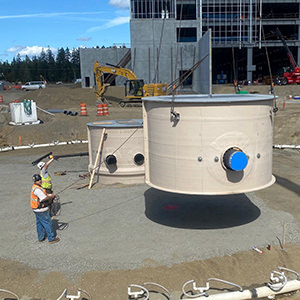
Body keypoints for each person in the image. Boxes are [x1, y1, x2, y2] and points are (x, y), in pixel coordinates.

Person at [31, 174, 60, 244]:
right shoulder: (37, 190)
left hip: (35, 208)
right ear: (35, 181)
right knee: (47, 223)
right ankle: (51, 238)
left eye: (40, 179)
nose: (40, 181)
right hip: (41, 209)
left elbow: (43, 195)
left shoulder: (35, 187)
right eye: (38, 180)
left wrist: (48, 195)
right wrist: (51, 196)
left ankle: (41, 237)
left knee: (39, 223)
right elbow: (44, 198)